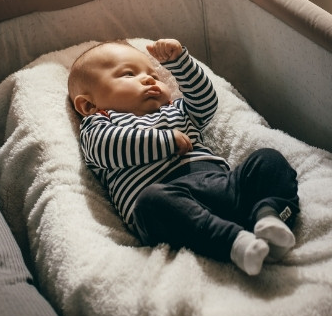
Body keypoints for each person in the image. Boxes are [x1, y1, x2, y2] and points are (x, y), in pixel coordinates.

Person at [68, 38, 299, 275]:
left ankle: (269, 216)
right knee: (149, 203)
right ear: (88, 106)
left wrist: (180, 63)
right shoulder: (99, 124)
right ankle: (233, 242)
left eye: (154, 75)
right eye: (128, 74)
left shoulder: (176, 110)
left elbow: (206, 103)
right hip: (170, 203)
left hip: (224, 187)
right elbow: (108, 148)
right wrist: (165, 142)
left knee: (268, 159)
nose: (149, 79)